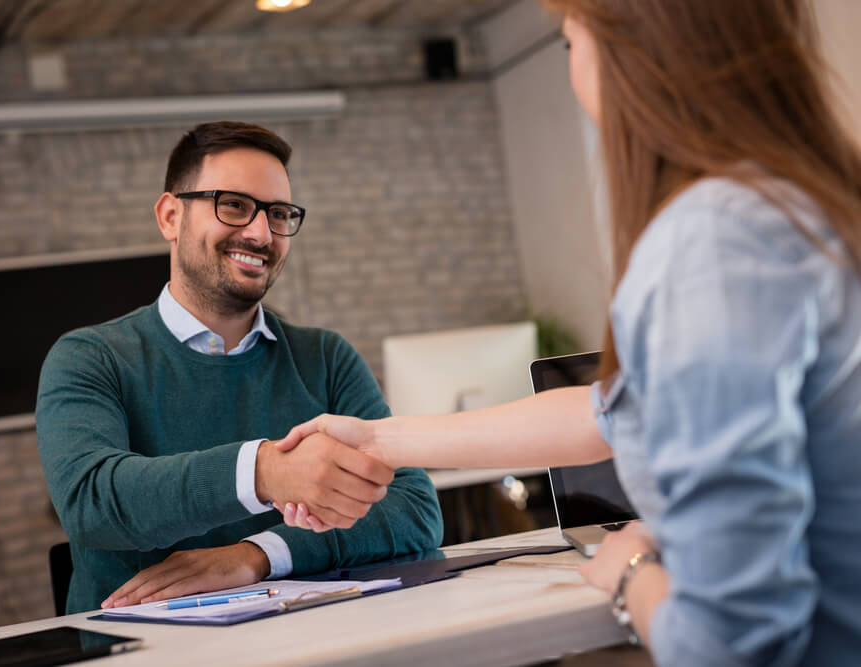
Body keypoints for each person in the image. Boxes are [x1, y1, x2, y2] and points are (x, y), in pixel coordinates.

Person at [274, 1, 861, 664]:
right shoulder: (807, 209)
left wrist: (633, 569)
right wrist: (381, 438)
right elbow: (605, 412)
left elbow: (731, 645)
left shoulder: (713, 242)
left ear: (632, 51)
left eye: (568, 44)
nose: (576, 71)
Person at [35, 121, 443, 614]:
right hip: (145, 652)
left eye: (278, 213)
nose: (260, 232)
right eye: (233, 205)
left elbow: (414, 508)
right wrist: (264, 471)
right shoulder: (89, 357)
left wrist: (259, 556)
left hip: (309, 644)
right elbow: (91, 502)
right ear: (170, 217)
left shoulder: (325, 358)